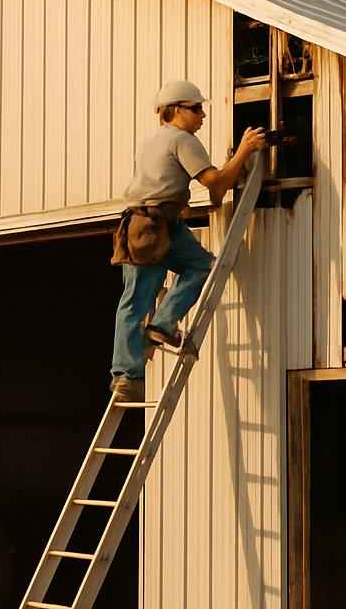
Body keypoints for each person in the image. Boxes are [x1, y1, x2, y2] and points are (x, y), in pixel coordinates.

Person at [109, 79, 264, 403]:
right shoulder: (183, 140)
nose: (202, 115)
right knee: (196, 271)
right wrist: (244, 151)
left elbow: (207, 189)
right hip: (154, 226)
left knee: (140, 298)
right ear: (176, 110)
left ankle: (139, 358)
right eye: (196, 109)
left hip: (151, 224)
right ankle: (152, 341)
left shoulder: (151, 141)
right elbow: (215, 181)